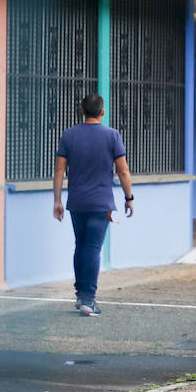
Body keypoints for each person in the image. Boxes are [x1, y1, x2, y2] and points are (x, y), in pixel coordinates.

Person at [53, 94, 134, 317]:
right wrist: (129, 198)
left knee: (80, 245)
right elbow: (123, 170)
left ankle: (81, 296)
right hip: (101, 204)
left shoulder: (69, 135)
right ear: (102, 112)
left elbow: (59, 170)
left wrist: (57, 201)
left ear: (81, 111)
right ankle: (88, 299)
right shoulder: (112, 136)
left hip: (76, 202)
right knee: (93, 249)